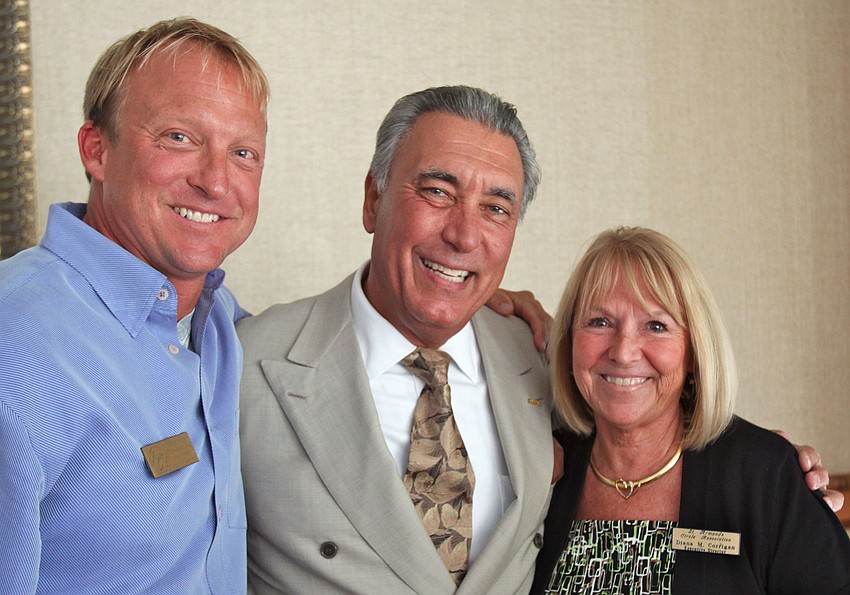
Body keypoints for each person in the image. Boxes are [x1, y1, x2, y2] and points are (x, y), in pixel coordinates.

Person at [237, 85, 555, 594]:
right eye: (437, 192)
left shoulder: (544, 359)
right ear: (373, 199)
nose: (464, 236)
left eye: (496, 208)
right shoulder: (245, 362)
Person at [0, 18, 269, 592]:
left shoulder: (218, 323)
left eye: (242, 151)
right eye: (179, 138)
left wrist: (474, 301)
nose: (216, 182)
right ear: (96, 150)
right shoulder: (13, 346)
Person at [532, 227, 850, 594]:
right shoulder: (544, 469)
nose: (623, 351)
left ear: (694, 355)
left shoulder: (764, 474)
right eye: (599, 322)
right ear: (570, 341)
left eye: (656, 325)